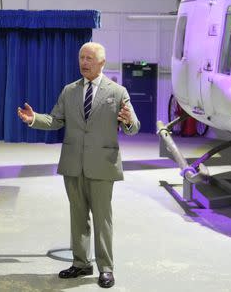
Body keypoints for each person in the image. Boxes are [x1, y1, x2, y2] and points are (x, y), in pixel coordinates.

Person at [17, 42, 139, 289]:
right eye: (81, 58)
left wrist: (127, 122)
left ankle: (106, 268)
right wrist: (34, 120)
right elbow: (55, 120)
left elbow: (133, 126)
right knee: (78, 216)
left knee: (103, 218)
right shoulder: (69, 91)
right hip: (73, 164)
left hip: (103, 165)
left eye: (89, 58)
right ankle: (81, 263)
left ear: (102, 63)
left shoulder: (117, 92)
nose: (84, 62)